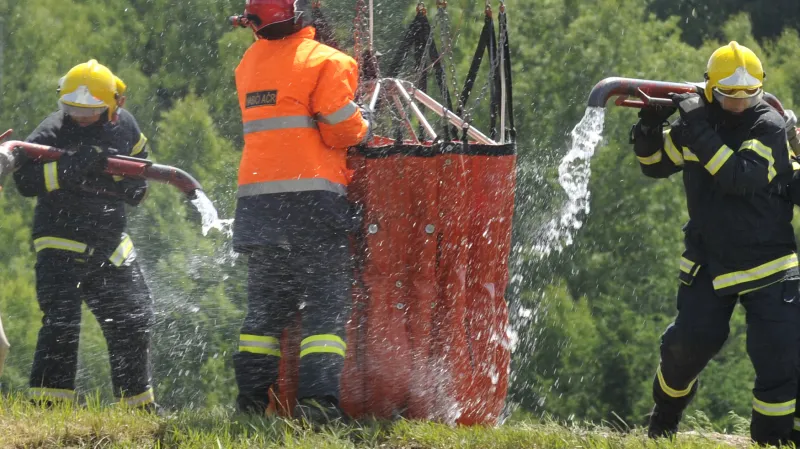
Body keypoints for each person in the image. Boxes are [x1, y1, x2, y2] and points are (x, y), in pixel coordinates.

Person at [630, 41, 800, 446]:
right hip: (709, 260)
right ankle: (663, 422)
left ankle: (773, 441)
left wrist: (696, 128)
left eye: (749, 95)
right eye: (728, 95)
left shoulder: (769, 127)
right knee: (683, 348)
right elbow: (654, 166)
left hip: (768, 263)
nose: (739, 104)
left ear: (760, 90)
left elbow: (740, 177)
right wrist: (649, 127)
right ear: (710, 88)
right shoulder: (697, 123)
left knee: (779, 358)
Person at [230, 0, 370, 424]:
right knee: (326, 308)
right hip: (312, 203)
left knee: (265, 311)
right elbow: (342, 128)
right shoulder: (330, 61)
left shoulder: (248, 64)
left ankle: (252, 403)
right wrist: (365, 123)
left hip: (258, 204)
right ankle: (317, 404)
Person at [13, 60, 157, 409]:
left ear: (113, 105)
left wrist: (128, 182)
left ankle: (137, 407)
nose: (80, 117)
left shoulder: (126, 127)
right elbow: (25, 181)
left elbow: (141, 166)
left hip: (110, 239)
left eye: (89, 111)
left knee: (134, 318)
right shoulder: (53, 128)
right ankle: (49, 407)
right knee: (62, 322)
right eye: (72, 109)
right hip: (60, 236)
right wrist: (66, 169)